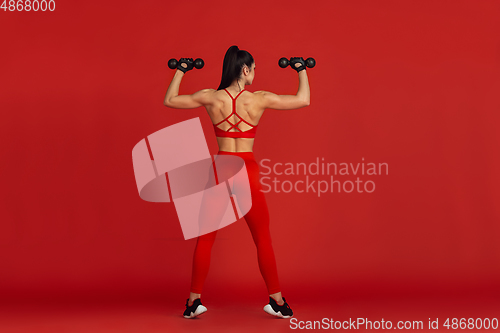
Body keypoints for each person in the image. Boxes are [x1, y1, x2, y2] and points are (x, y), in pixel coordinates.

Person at [163, 45, 310, 319]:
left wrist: (181, 70)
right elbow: (303, 99)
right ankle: (277, 301)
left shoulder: (210, 97)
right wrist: (300, 69)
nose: (255, 74)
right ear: (245, 70)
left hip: (220, 168)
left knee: (205, 238)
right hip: (247, 170)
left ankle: (193, 302)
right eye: (253, 69)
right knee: (262, 237)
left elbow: (170, 100)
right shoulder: (259, 99)